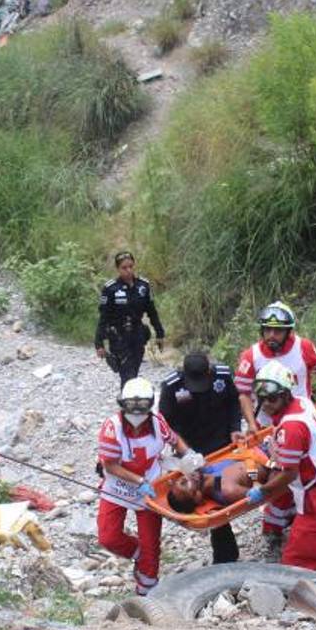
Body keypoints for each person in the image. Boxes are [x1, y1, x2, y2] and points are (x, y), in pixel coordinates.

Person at [244, 363, 316, 573]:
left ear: (285, 394)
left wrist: (262, 491)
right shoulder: (303, 403)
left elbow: (289, 474)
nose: (267, 404)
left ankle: (313, 591)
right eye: (262, 398)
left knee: (296, 565)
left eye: (272, 398)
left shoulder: (292, 428)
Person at [96, 377, 191, 596]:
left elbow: (175, 441)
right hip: (118, 486)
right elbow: (110, 466)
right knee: (108, 536)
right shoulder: (112, 428)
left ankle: (147, 590)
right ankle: (137, 552)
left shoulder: (158, 423)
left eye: (142, 406)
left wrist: (190, 456)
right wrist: (138, 482)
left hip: (151, 484)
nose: (137, 412)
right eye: (132, 405)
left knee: (151, 542)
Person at [159, 352, 243, 563]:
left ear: (209, 372)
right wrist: (184, 451)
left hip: (222, 443)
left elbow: (234, 403)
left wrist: (235, 428)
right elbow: (165, 423)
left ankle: (227, 553)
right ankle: (226, 555)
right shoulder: (172, 386)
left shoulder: (222, 377)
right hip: (190, 448)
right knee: (205, 496)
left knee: (224, 487)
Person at [234, 301, 316, 432]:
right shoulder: (250, 356)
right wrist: (251, 424)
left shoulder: (304, 348)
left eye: (278, 331)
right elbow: (243, 394)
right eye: (267, 330)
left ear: (288, 332)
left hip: (303, 420)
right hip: (266, 426)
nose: (272, 335)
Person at [95, 251, 164, 386]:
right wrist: (99, 343)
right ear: (118, 269)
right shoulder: (111, 289)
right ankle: (128, 403)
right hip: (119, 337)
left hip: (138, 335)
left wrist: (160, 333)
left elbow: (152, 312)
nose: (129, 270)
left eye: (131, 266)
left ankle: (129, 402)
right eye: (124, 268)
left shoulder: (143, 286)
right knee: (127, 375)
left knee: (134, 372)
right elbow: (103, 317)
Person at [166, 458, 263, 513]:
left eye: (182, 478)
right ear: (197, 497)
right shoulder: (228, 491)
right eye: (184, 483)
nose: (186, 477)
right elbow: (265, 492)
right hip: (272, 464)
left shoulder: (208, 468)